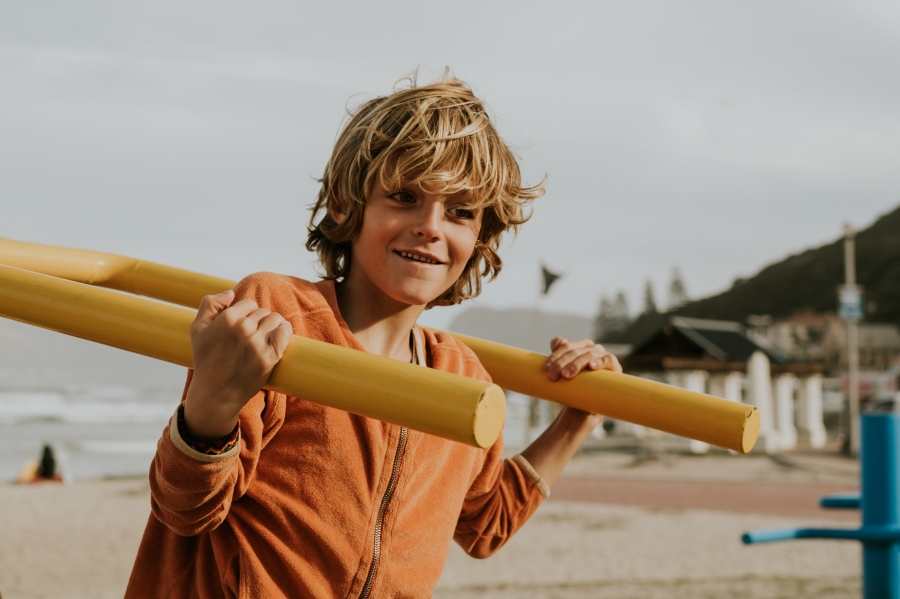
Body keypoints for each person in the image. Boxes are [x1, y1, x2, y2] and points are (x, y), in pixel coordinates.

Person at [125, 75, 621, 598]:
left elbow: (485, 523)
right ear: (346, 205)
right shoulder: (279, 316)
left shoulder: (460, 375)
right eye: (405, 197)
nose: (431, 226)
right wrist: (210, 406)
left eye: (460, 211)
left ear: (478, 238)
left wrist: (578, 417)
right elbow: (185, 507)